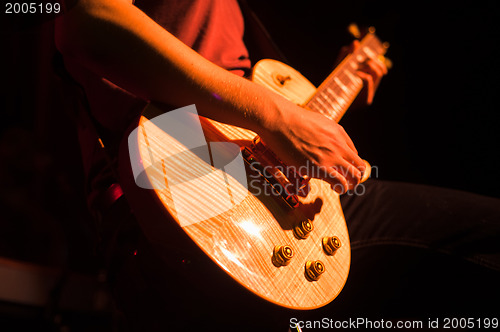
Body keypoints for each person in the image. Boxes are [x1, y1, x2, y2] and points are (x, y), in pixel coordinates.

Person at [55, 0, 500, 331]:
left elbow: (248, 93)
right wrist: (275, 115)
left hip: (274, 202)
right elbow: (89, 20)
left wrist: (339, 77)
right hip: (177, 190)